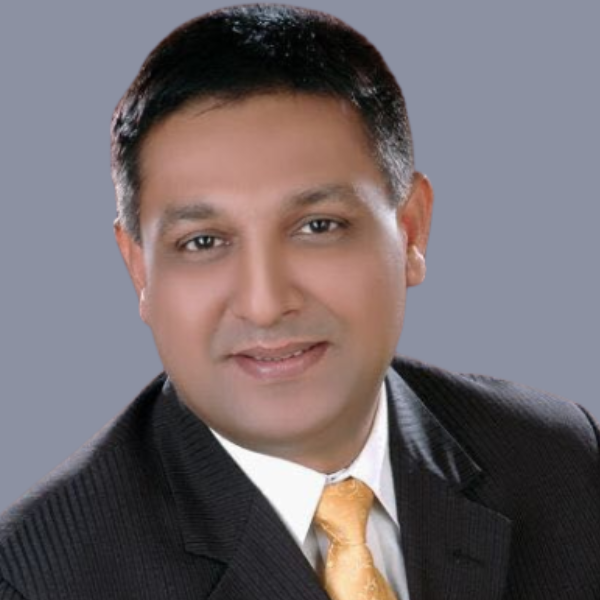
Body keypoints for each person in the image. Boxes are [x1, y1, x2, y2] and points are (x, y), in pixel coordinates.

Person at [1, 4, 598, 599]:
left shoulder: (564, 462)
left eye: (318, 226)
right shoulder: (36, 579)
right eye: (203, 242)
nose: (264, 304)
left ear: (411, 232)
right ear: (139, 269)